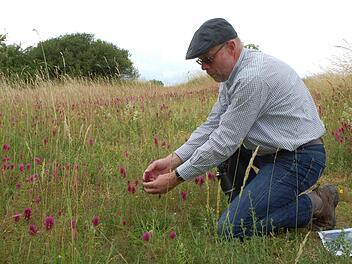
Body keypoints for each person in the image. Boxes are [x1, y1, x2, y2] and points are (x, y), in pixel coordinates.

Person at [142, 18, 339, 239]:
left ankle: (319, 202)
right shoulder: (231, 76)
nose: (205, 67)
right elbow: (212, 127)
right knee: (228, 163)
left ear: (232, 47)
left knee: (231, 229)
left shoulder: (252, 78)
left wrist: (175, 178)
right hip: (270, 153)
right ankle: (254, 206)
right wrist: (172, 161)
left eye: (208, 59)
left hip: (299, 158)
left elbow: (223, 142)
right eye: (201, 62)